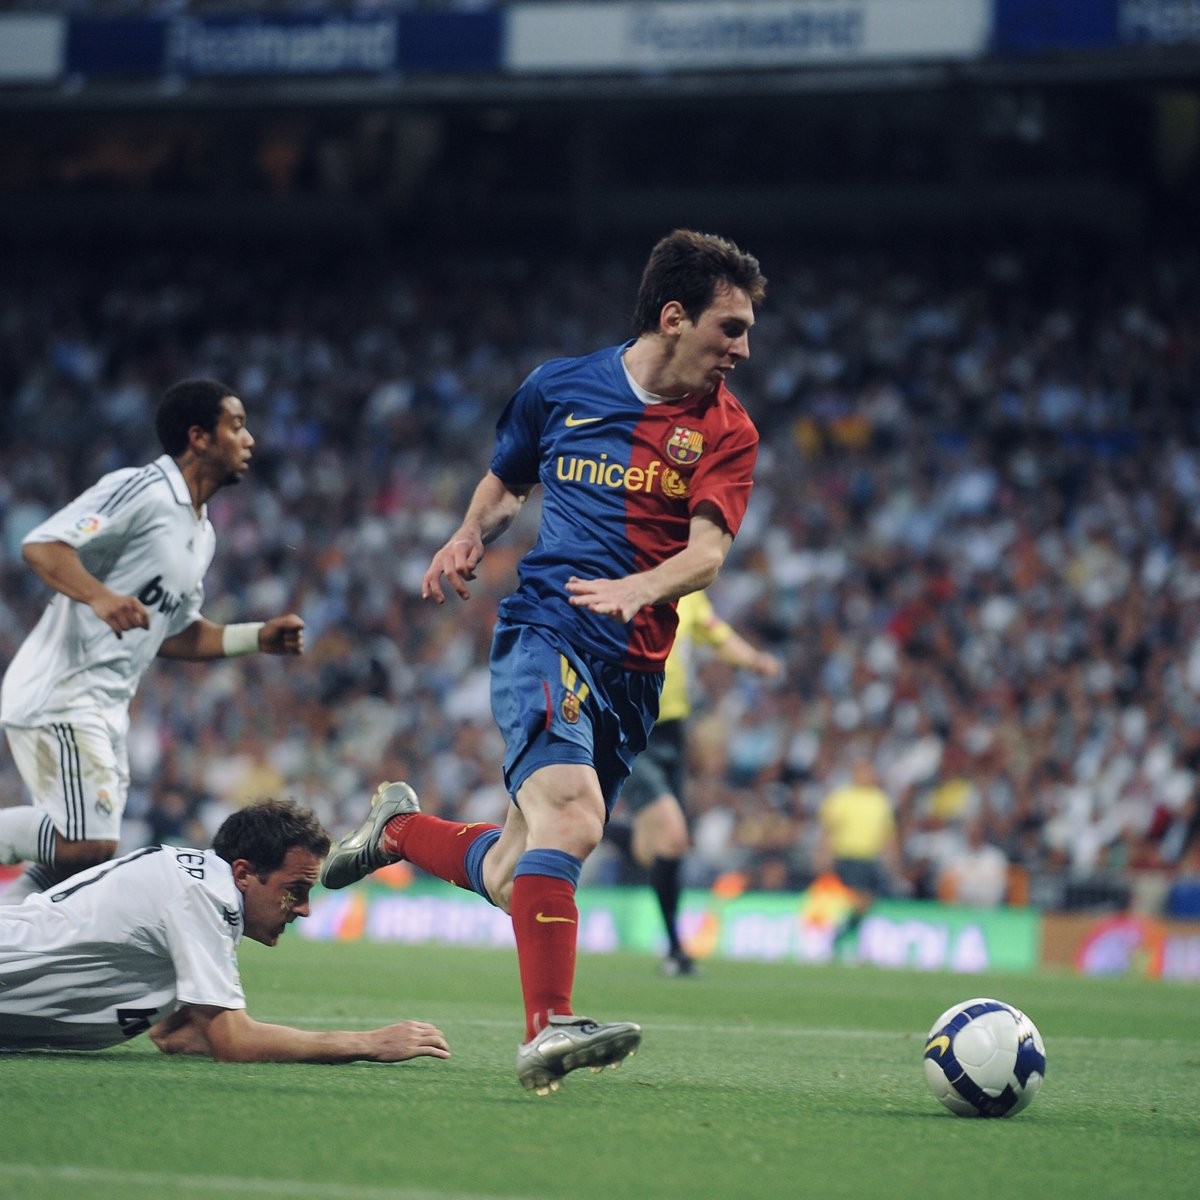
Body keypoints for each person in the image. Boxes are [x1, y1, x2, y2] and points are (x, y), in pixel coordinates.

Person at [322, 228, 768, 1094]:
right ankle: (547, 1030)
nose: (743, 350)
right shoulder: (559, 388)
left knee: (509, 866)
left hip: (634, 670)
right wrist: (465, 533)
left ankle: (399, 831)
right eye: (731, 327)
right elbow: (506, 482)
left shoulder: (726, 430)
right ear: (674, 318)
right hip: (546, 632)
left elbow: (708, 556)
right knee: (573, 819)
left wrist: (641, 588)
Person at [0, 378, 305, 903]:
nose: (249, 438)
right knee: (88, 844)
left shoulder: (201, 532)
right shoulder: (144, 490)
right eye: (236, 426)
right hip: (63, 690)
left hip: (105, 705)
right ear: (199, 437)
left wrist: (257, 636)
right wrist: (99, 596)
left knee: (68, 866)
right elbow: (43, 545)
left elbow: (178, 633)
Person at [0, 798, 451, 1063]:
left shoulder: (197, 890)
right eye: (295, 890)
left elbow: (174, 1034)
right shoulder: (203, 894)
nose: (305, 910)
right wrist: (366, 1043)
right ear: (243, 874)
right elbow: (233, 1041)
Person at [608, 587, 783, 976]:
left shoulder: (689, 595)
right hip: (632, 732)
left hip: (673, 733)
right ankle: (676, 950)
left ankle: (620, 830)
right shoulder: (625, 583)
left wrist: (754, 660)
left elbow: (718, 636)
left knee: (664, 846)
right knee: (673, 837)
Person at [815, 758, 900, 957]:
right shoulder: (842, 798)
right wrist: (824, 853)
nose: (868, 776)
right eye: (864, 772)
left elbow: (887, 834)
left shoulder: (880, 800)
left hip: (870, 858)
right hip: (848, 855)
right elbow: (829, 830)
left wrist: (892, 858)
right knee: (860, 900)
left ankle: (842, 935)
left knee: (866, 902)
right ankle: (842, 938)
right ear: (855, 774)